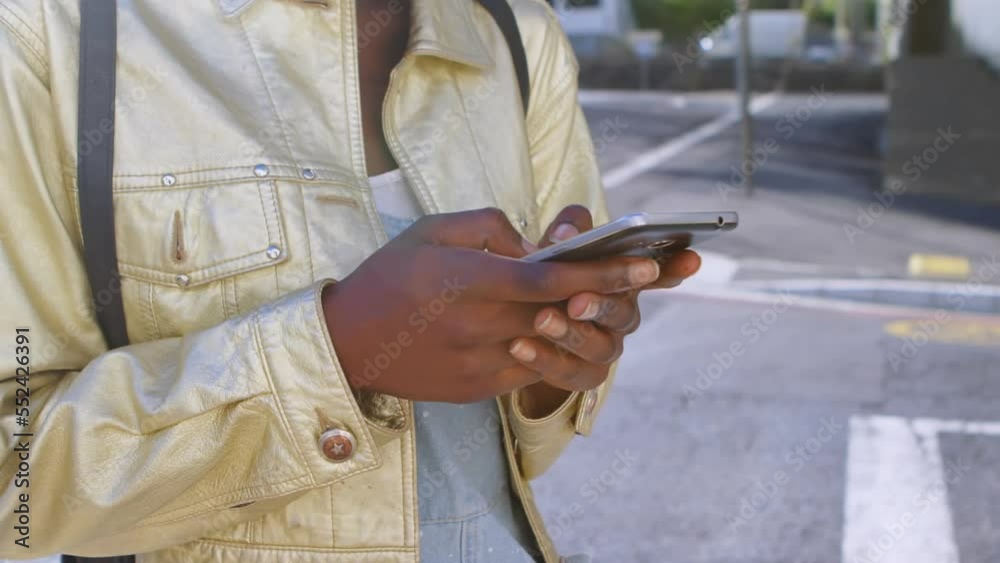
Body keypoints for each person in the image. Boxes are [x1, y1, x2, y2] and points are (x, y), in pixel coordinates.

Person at [0, 0, 700, 561]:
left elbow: (522, 455)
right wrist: (334, 354)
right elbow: (15, 488)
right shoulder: (48, 35)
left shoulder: (517, 37)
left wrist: (555, 354)